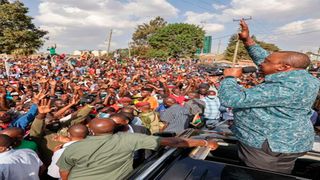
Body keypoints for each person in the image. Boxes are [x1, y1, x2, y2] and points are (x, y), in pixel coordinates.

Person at [218, 20, 320, 174]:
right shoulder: (302, 75)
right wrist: (248, 41)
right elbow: (267, 59)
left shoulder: (284, 87)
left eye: (266, 62)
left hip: (269, 148)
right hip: (285, 141)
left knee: (259, 176)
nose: (261, 63)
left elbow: (232, 99)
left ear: (283, 67)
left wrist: (230, 78)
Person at [57, 118, 218, 180]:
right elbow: (174, 142)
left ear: (90, 131)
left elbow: (64, 174)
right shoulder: (129, 139)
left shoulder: (73, 147)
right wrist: (205, 143)